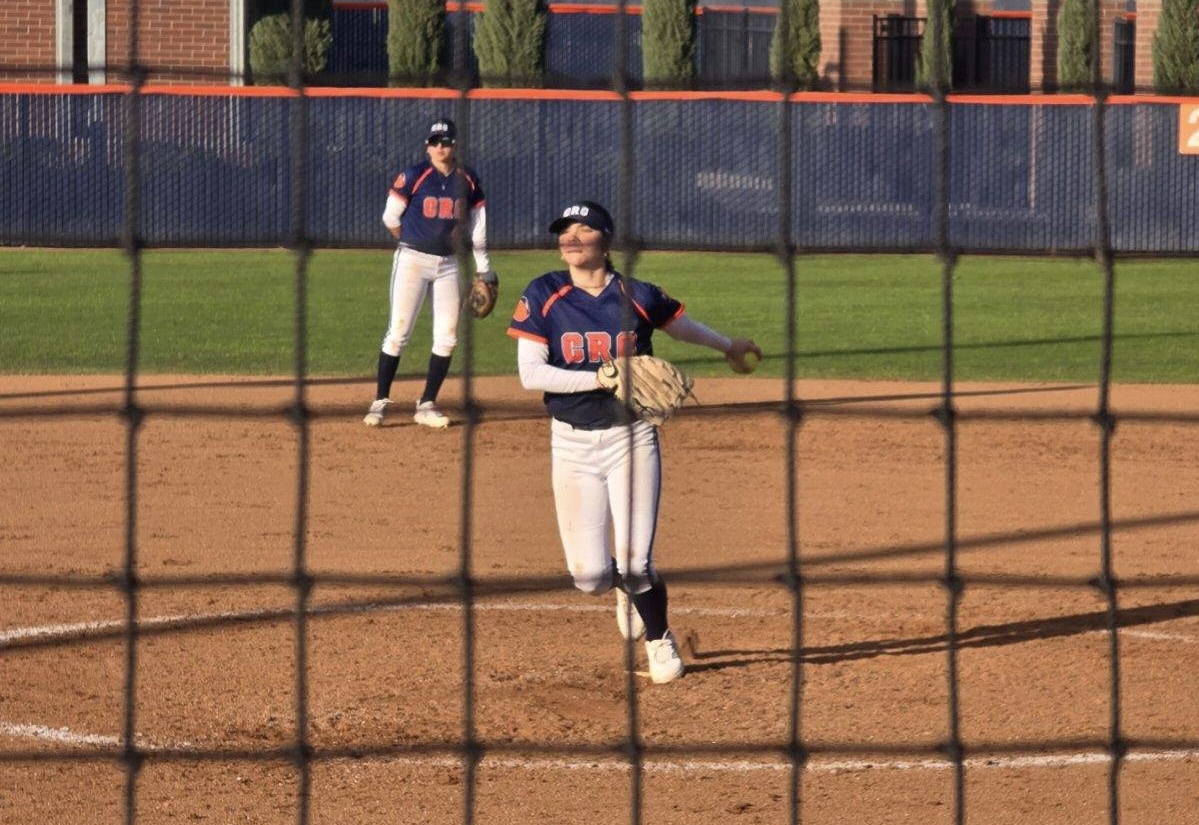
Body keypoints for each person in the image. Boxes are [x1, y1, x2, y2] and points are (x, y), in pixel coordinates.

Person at [506, 200, 763, 684]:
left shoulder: (635, 294)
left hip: (633, 437)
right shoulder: (543, 293)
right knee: (588, 578)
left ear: (605, 239)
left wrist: (727, 345)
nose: (571, 239)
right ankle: (621, 586)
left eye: (583, 230)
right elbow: (530, 374)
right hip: (571, 444)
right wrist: (604, 377)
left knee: (636, 559)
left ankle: (659, 639)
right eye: (565, 231)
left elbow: (679, 325)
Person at [364, 117, 493, 428]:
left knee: (447, 338)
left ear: (455, 145)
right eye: (435, 141)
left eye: (446, 142)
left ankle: (427, 403)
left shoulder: (468, 179)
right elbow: (390, 217)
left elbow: (478, 227)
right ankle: (380, 401)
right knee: (398, 333)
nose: (440, 147)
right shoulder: (414, 176)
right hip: (412, 260)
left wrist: (485, 267)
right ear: (427, 145)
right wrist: (413, 242)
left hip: (450, 264)